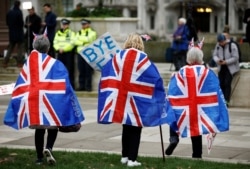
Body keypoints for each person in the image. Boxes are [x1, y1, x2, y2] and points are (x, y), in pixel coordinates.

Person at [4, 31, 85, 165]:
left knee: (39, 130)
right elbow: (65, 85)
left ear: (35, 47)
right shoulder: (56, 64)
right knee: (53, 127)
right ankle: (49, 148)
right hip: (52, 103)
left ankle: (39, 158)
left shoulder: (28, 64)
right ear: (48, 48)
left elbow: (22, 82)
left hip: (35, 103)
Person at [165, 40, 229, 158]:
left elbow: (173, 90)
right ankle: (197, 154)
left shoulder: (182, 72)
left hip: (185, 108)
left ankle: (174, 138)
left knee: (174, 115)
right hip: (199, 109)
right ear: (201, 58)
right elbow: (214, 88)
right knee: (196, 128)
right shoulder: (206, 72)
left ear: (188, 58)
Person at [213, 33, 240, 106]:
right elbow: (214, 55)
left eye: (222, 42)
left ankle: (226, 100)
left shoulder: (232, 45)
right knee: (220, 83)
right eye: (220, 42)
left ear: (225, 40)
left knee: (227, 83)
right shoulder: (218, 45)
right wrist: (218, 60)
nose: (221, 44)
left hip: (230, 67)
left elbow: (236, 57)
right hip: (221, 67)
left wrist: (226, 62)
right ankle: (221, 100)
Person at [75, 19, 97, 91]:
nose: (83, 26)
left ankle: (88, 86)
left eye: (85, 24)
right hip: (80, 53)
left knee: (88, 71)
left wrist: (80, 40)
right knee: (81, 70)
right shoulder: (79, 32)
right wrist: (83, 42)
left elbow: (89, 39)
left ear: (88, 24)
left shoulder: (92, 32)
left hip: (88, 53)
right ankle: (81, 86)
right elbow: (75, 41)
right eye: (82, 24)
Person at [53, 18, 76, 89]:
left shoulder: (71, 33)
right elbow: (55, 42)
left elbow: (72, 43)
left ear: (68, 25)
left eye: (65, 24)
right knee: (60, 69)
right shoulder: (58, 33)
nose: (64, 26)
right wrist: (58, 49)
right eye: (63, 24)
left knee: (69, 69)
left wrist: (64, 49)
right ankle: (61, 85)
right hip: (60, 53)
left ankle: (70, 85)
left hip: (68, 53)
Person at [3, 0, 24, 68]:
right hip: (19, 33)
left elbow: (7, 22)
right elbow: (21, 23)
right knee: (20, 48)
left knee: (10, 48)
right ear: (19, 5)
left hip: (12, 33)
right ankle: (19, 62)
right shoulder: (19, 12)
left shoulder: (9, 12)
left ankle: (5, 62)